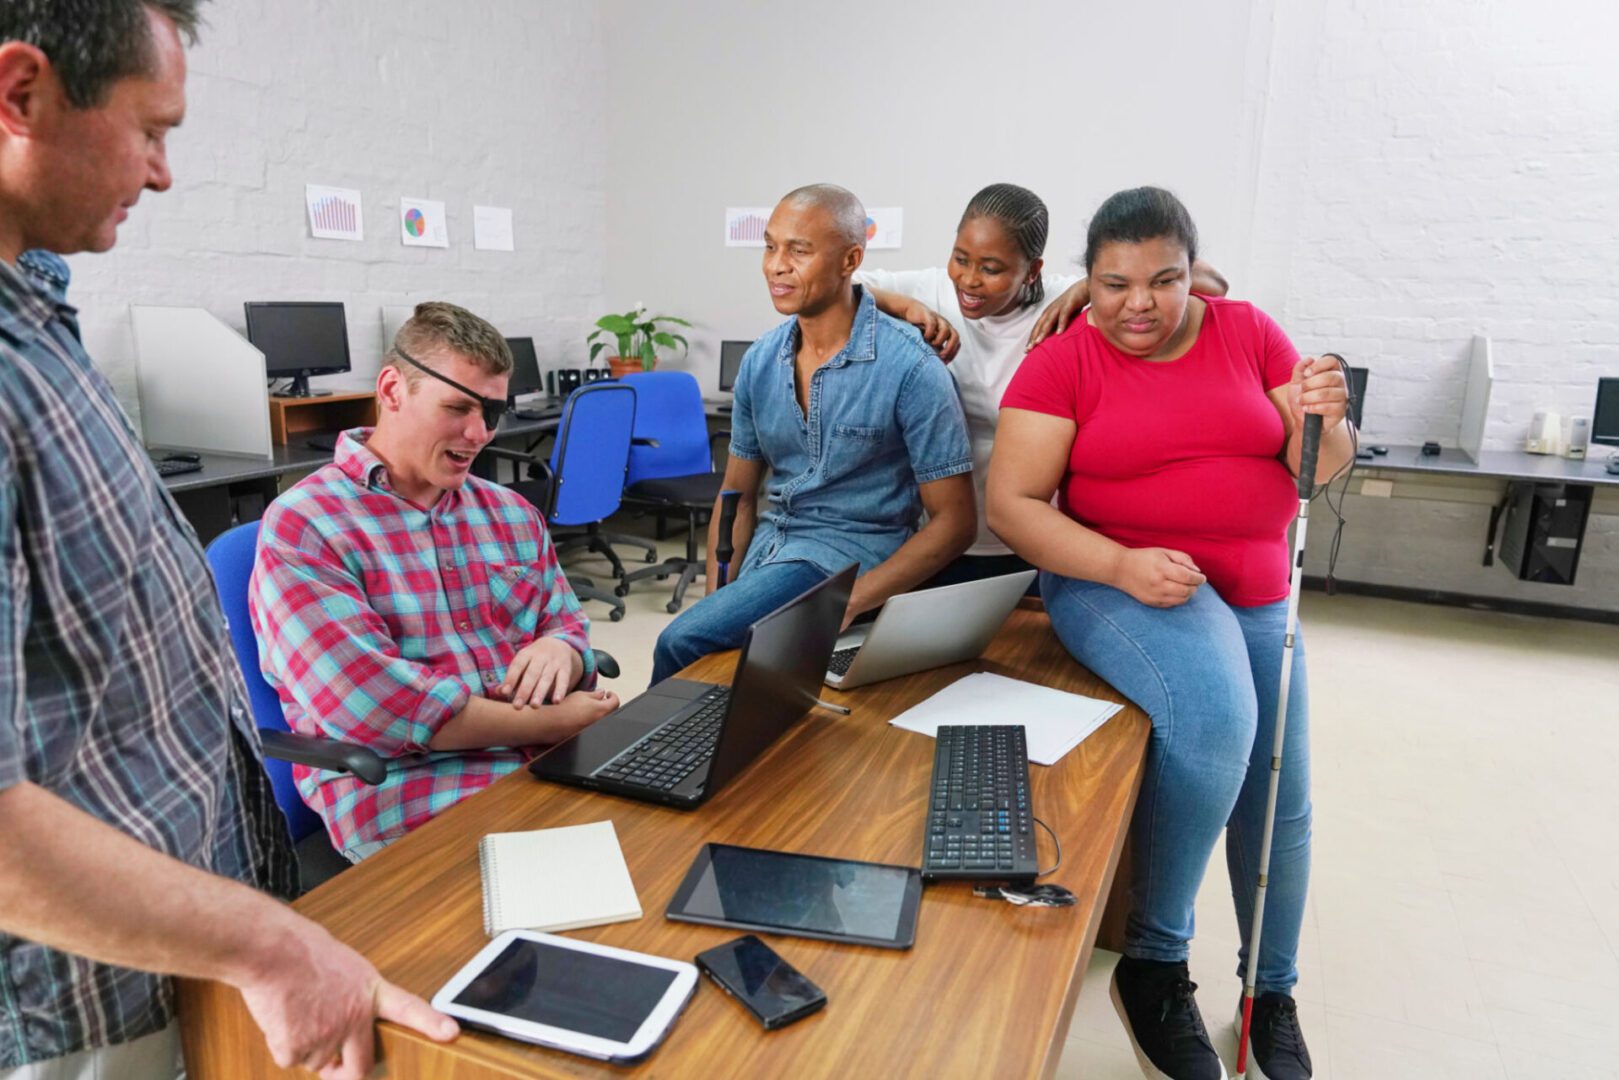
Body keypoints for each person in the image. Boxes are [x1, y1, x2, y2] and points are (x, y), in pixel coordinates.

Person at [0, 4, 458, 1078]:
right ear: (19, 94)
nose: (162, 173)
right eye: (150, 129)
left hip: (189, 929)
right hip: (88, 993)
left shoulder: (35, 305)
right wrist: (268, 946)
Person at [989, 187, 1350, 1080]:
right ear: (1086, 281)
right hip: (1124, 583)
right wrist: (1116, 564)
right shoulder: (1062, 363)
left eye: (1162, 280)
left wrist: (1327, 419)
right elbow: (1012, 505)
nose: (1138, 304)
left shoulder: (1249, 332)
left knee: (1280, 798)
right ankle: (1152, 963)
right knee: (1220, 720)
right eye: (1113, 284)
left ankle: (1270, 991)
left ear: (1195, 274)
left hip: (1258, 589)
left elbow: (1314, 470)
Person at [251, 302, 619, 862]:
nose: (479, 433)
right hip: (411, 785)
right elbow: (374, 707)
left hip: (545, 758)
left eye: (492, 412)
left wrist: (561, 651)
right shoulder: (308, 524)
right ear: (394, 389)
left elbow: (564, 619)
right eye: (458, 407)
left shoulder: (509, 511)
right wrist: (551, 721)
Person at [651, 184, 975, 684]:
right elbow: (735, 496)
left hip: (846, 559)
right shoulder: (761, 361)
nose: (776, 265)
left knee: (679, 641)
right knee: (705, 645)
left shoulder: (911, 368)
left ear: (851, 259)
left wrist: (853, 600)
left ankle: (647, 762)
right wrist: (719, 600)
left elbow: (955, 524)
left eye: (798, 250)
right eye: (770, 246)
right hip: (771, 552)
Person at [857, 182, 1228, 586]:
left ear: (1033, 269)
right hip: (942, 538)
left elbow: (1211, 282)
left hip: (1036, 537)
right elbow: (837, 282)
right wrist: (903, 305)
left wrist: (1090, 284)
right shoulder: (929, 290)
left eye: (992, 268)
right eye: (960, 258)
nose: (969, 279)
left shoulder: (1059, 299)